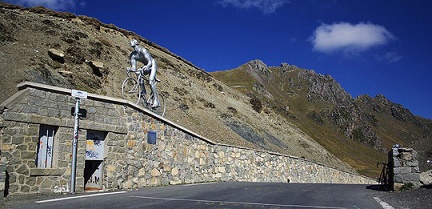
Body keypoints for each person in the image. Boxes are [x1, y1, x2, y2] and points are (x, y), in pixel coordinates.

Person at [127, 39, 160, 108]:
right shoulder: (133, 55)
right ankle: (143, 91)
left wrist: (147, 66)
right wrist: (130, 69)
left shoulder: (143, 50)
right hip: (146, 65)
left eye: (132, 41)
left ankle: (157, 101)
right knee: (138, 72)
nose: (130, 42)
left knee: (151, 81)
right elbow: (134, 68)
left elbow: (150, 61)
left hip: (152, 64)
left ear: (136, 43)